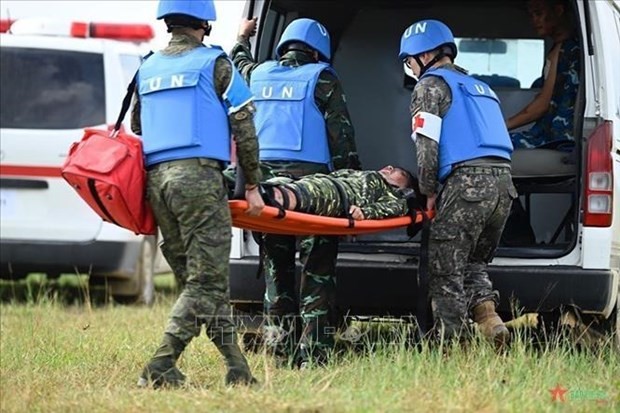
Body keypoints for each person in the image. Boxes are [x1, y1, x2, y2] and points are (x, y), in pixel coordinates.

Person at [130, 0, 264, 388]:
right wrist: (252, 183)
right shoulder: (216, 63)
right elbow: (244, 123)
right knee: (205, 282)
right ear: (204, 24)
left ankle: (238, 369)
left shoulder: (147, 66)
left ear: (168, 23)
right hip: (199, 181)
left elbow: (139, 124)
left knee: (202, 280)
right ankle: (160, 364)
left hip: (158, 183)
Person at [231, 17, 361, 367]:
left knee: (277, 269)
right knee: (317, 272)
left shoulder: (256, 75)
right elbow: (341, 139)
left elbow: (237, 59)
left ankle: (279, 350)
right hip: (312, 193)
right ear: (319, 52)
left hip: (267, 193)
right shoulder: (323, 78)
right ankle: (314, 354)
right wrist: (352, 189)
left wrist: (243, 35)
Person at [399, 19, 517, 346]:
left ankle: (454, 348)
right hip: (504, 187)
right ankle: (490, 321)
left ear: (423, 55)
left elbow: (427, 145)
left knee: (445, 271)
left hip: (467, 185)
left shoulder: (429, 86)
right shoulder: (481, 87)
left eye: (408, 61)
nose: (409, 68)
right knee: (473, 264)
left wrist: (428, 191)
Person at [508, 0, 580, 149]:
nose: (534, 20)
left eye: (539, 13)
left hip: (558, 139)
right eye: (532, 15)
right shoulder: (559, 48)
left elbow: (542, 105)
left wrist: (500, 127)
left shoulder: (568, 51)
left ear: (558, 11)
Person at [263, 165, 416, 220]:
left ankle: (269, 198)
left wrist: (364, 212)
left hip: (340, 196)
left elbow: (392, 207)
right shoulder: (361, 174)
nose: (389, 168)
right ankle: (252, 190)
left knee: (301, 194)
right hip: (322, 181)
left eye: (396, 171)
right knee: (280, 181)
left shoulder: (392, 194)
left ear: (403, 187)